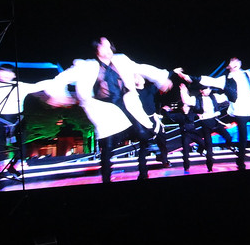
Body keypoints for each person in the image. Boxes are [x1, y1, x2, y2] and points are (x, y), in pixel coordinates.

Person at [24, 37, 174, 183]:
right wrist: (58, 94)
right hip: (104, 110)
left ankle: (143, 173)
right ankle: (106, 179)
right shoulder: (86, 66)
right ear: (96, 49)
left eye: (110, 46)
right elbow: (63, 78)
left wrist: (161, 78)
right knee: (107, 146)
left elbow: (141, 67)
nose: (108, 50)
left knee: (143, 134)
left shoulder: (121, 60)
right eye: (104, 46)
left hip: (126, 105)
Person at [201, 57, 250, 163]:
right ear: (229, 66)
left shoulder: (247, 74)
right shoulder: (226, 79)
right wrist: (191, 78)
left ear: (240, 64)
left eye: (236, 63)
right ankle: (241, 161)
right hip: (240, 112)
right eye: (232, 64)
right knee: (243, 138)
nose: (234, 66)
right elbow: (210, 80)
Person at [0, 66, 26, 178]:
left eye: (8, 73)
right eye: (2, 72)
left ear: (14, 75)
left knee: (20, 144)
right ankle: (1, 163)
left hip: (16, 120)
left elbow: (42, 84)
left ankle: (16, 164)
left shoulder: (21, 85)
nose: (5, 75)